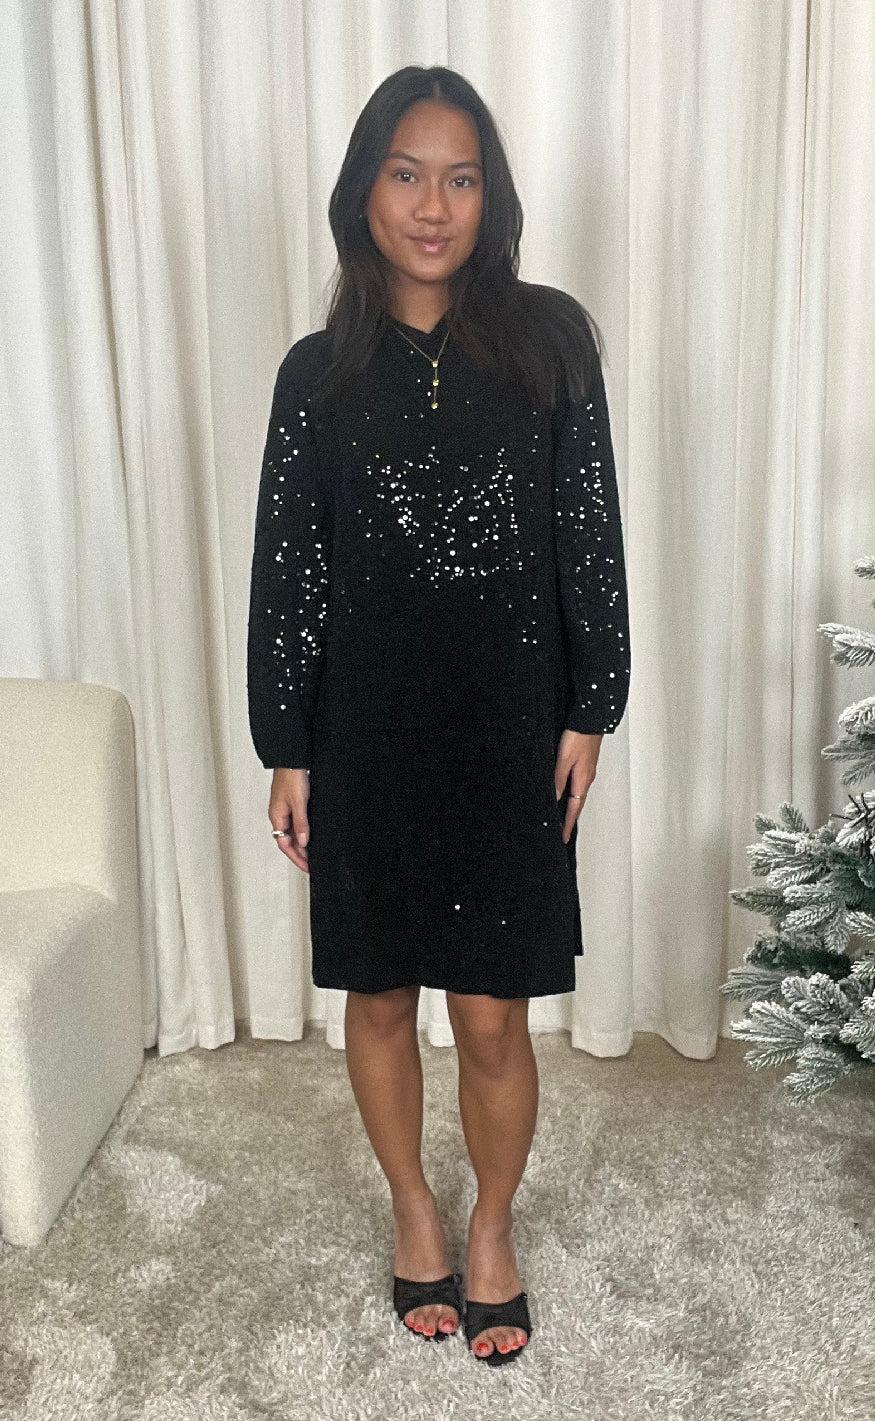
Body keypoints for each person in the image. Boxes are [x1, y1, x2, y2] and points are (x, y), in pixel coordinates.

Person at [246, 65, 631, 1367]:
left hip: (511, 729)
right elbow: (290, 568)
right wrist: (286, 743)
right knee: (375, 997)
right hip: (364, 733)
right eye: (406, 174)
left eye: (460, 178)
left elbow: (589, 530)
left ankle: (492, 1224)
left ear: (490, 196)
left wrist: (592, 704)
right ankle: (415, 1208)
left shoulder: (549, 340)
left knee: (491, 1014)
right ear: (365, 192)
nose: (432, 205)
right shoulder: (318, 375)